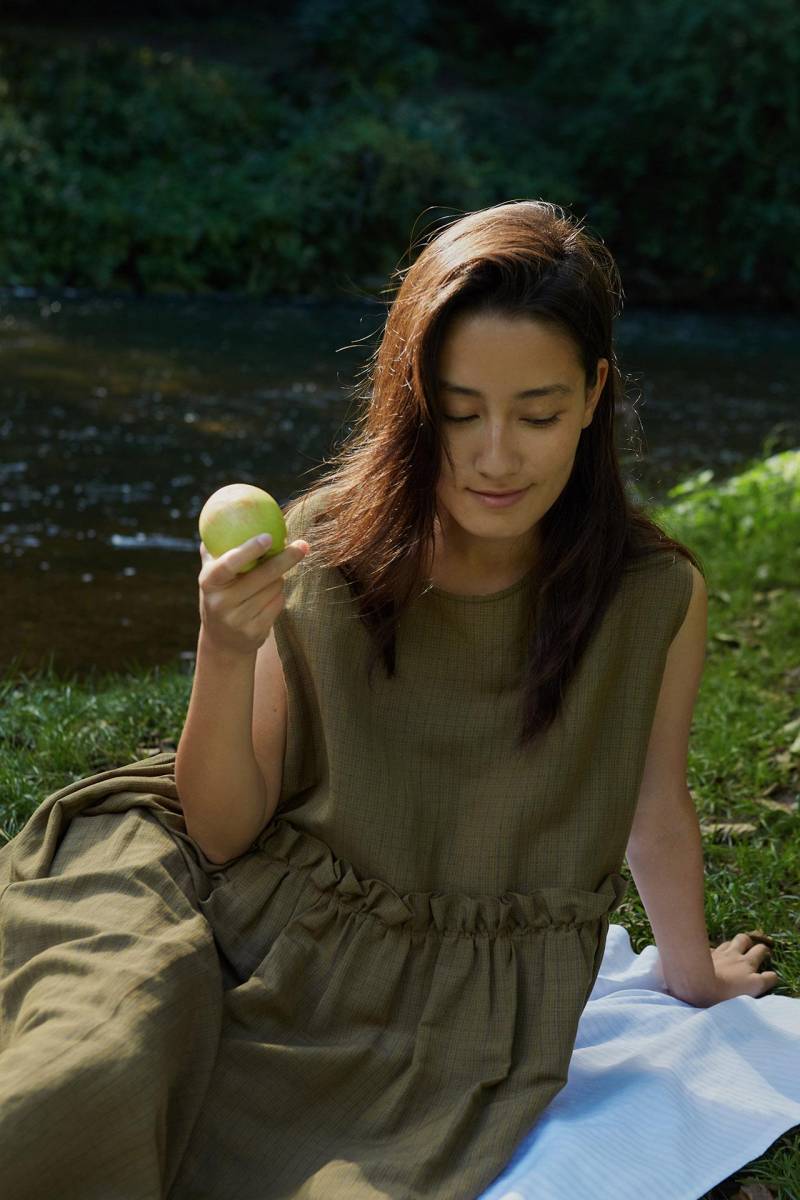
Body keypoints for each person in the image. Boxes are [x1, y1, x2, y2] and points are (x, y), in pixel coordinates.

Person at [0, 199, 779, 1200]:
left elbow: (651, 803)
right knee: (90, 1070)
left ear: (592, 397)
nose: (495, 455)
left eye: (536, 414)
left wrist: (692, 975)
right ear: (413, 397)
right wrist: (224, 653)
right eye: (459, 412)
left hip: (448, 1011)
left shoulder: (650, 598)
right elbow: (225, 835)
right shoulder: (328, 548)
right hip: (245, 918)